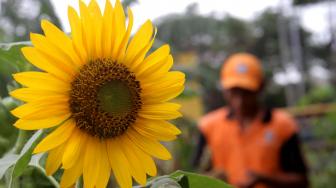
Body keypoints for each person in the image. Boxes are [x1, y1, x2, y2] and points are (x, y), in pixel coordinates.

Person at [192, 53, 309, 188]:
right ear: (224, 90)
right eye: (234, 91)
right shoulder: (208, 126)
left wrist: (263, 178)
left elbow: (301, 180)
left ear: (260, 88)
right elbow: (196, 173)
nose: (240, 101)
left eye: (247, 92)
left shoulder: (282, 126)